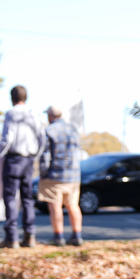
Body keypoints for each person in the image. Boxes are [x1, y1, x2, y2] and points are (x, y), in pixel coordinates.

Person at [0, 85, 44, 249]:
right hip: (28, 160)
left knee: (10, 198)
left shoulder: (11, 113)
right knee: (27, 198)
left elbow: (7, 139)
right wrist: (35, 157)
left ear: (12, 98)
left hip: (14, 160)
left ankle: (12, 238)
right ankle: (30, 235)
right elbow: (42, 138)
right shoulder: (34, 114)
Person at [39, 105, 84, 247]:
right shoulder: (73, 129)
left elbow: (45, 156)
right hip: (73, 175)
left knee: (55, 207)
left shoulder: (49, 130)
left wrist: (43, 173)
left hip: (55, 175)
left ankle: (58, 237)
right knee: (73, 205)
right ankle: (77, 236)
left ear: (50, 116)